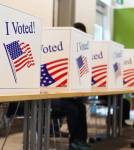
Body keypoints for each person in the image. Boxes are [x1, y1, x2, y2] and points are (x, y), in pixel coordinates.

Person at [52, 22, 90, 150]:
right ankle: (74, 142)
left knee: (81, 107)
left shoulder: (81, 53)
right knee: (73, 108)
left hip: (68, 95)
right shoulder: (63, 49)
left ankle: (81, 140)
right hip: (53, 96)